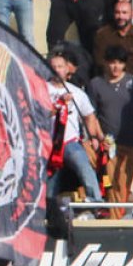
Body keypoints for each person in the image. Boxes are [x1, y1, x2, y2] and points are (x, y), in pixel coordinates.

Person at [87, 46, 133, 219]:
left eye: (119, 63)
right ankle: (113, 218)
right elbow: (92, 114)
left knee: (123, 183)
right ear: (105, 63)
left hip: (131, 141)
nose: (115, 67)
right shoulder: (96, 84)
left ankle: (118, 217)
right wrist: (99, 137)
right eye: (112, 62)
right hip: (109, 143)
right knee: (110, 182)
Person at [46, 52, 106, 209]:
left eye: (60, 67)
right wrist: (59, 103)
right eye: (53, 67)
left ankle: (96, 201)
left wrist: (93, 137)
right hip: (49, 144)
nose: (57, 70)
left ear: (67, 69)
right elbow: (39, 114)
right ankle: (48, 208)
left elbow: (89, 116)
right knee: (50, 179)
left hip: (69, 142)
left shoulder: (77, 92)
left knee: (84, 166)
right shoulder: (42, 90)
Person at [92, 0, 133, 78]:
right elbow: (99, 62)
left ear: (132, 14)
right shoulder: (103, 35)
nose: (121, 16)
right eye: (117, 12)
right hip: (109, 79)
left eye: (124, 13)